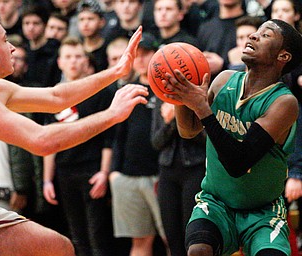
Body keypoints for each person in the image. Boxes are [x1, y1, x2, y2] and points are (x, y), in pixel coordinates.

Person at [0, 12, 146, 255]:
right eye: (5, 40)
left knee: (57, 247)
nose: (13, 48)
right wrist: (112, 115)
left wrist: (116, 71)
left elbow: (56, 98)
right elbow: (41, 141)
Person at [162, 19, 302, 255]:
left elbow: (238, 163)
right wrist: (181, 96)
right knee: (198, 250)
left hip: (262, 211)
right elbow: (188, 131)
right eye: (255, 32)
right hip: (216, 203)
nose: (253, 36)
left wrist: (203, 110)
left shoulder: (283, 102)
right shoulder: (224, 80)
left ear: (283, 56)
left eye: (266, 35)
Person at [43, 36, 115, 256]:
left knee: (98, 234)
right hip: (65, 171)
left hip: (92, 170)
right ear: (60, 62)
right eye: (68, 57)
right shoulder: (52, 94)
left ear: (86, 60)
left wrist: (104, 172)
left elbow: (109, 138)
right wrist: (47, 179)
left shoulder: (100, 91)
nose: (73, 61)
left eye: (78, 56)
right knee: (76, 236)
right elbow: (47, 138)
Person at [109, 32, 166, 256]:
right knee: (140, 241)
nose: (141, 60)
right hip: (128, 175)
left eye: (146, 54)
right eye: (137, 55)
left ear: (156, 55)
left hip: (160, 176)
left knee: (172, 237)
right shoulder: (127, 90)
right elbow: (117, 135)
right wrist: (114, 172)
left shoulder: (167, 89)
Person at [151, 99, 206, 256]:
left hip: (196, 170)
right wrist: (170, 122)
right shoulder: (161, 101)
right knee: (171, 236)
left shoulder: (200, 98)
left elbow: (208, 139)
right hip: (167, 172)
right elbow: (156, 142)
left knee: (192, 236)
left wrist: (180, 116)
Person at [77, 0, 109, 72]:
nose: (85, 24)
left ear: (102, 22)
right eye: (81, 19)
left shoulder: (108, 49)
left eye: (90, 19)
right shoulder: (76, 49)